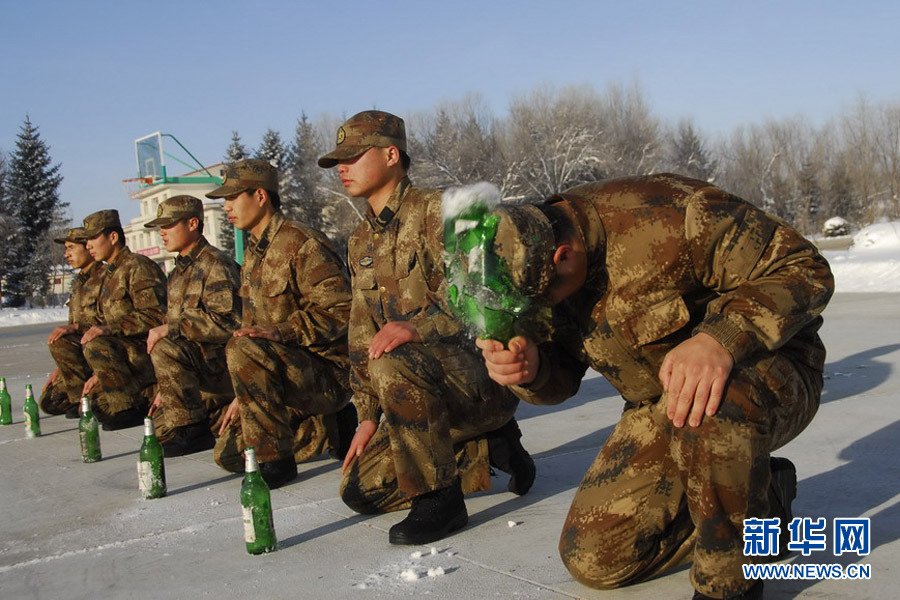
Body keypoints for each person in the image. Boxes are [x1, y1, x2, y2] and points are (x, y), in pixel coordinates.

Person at [475, 173, 834, 600]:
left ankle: (730, 585)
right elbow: (562, 377)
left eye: (542, 303)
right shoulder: (528, 267)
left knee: (709, 408)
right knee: (596, 558)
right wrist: (532, 370)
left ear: (562, 256)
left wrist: (720, 338)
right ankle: (761, 501)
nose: (539, 313)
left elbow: (804, 268)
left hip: (768, 371)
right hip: (663, 403)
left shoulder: (674, 215)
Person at [317, 110, 536, 546]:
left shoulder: (446, 212)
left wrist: (419, 328)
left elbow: (487, 300)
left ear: (391, 154)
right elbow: (362, 336)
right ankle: (487, 446)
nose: (342, 168)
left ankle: (442, 499)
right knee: (360, 491)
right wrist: (364, 415)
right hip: (417, 386)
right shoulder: (360, 240)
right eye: (338, 160)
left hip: (478, 382)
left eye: (354, 156)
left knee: (397, 355)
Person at [206, 158, 356, 489]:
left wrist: (282, 331)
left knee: (256, 456)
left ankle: (278, 462)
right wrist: (243, 391)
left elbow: (343, 309)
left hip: (327, 372)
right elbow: (249, 332)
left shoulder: (301, 242)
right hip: (283, 371)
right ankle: (327, 428)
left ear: (260, 196)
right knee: (228, 454)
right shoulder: (253, 255)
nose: (226, 207)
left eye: (233, 198)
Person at [143, 195, 241, 457]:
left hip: (223, 365)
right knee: (157, 430)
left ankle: (194, 430)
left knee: (164, 344)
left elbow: (229, 323)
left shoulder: (215, 264)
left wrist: (172, 327)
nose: (162, 233)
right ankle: (213, 413)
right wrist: (169, 386)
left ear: (193, 224)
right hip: (199, 368)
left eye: (169, 225)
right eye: (160, 227)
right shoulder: (178, 273)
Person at [74, 209, 167, 429]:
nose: (88, 246)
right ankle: (136, 396)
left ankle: (128, 407)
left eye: (93, 238)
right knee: (89, 406)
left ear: (113, 237)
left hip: (145, 350)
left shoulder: (137, 266)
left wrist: (109, 329)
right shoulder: (109, 274)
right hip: (124, 351)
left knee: (97, 343)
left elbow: (156, 316)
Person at [43, 227, 106, 417]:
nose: (66, 254)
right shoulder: (80, 282)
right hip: (81, 354)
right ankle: (80, 395)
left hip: (102, 351)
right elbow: (73, 325)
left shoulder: (105, 277)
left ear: (88, 247)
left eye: (71, 248)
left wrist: (77, 328)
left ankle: (89, 396)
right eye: (66, 249)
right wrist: (62, 367)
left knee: (96, 410)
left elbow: (110, 322)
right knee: (50, 401)